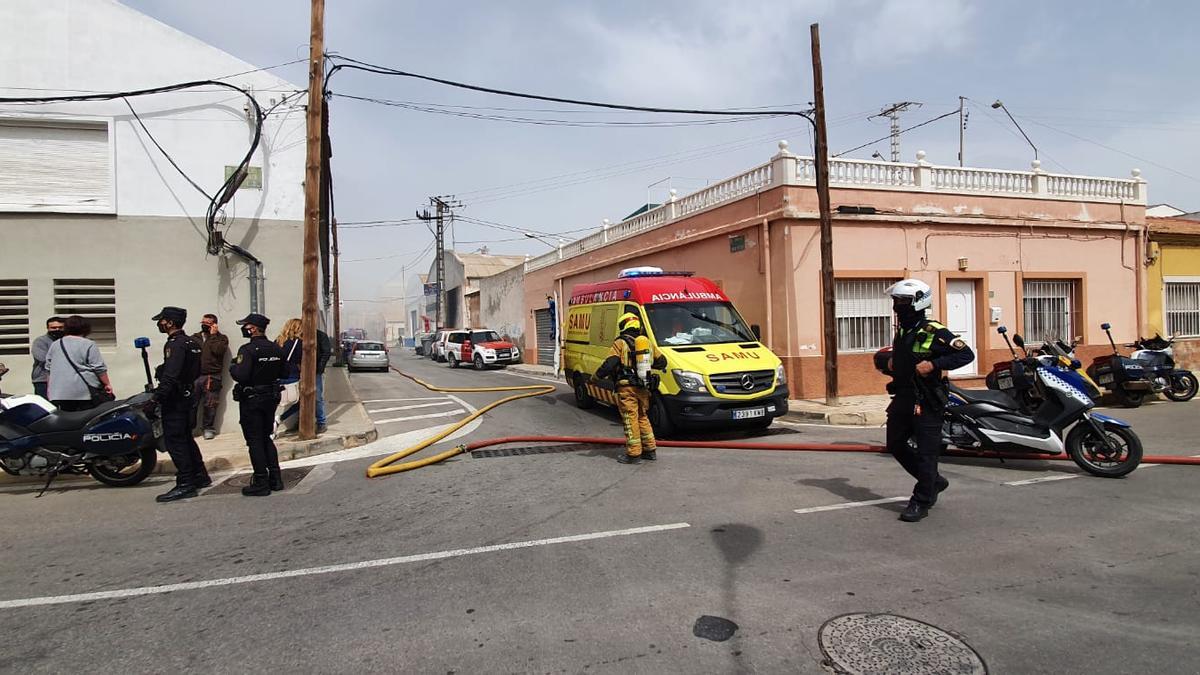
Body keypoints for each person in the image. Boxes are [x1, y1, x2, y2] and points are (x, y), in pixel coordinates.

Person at [881, 279, 974, 523]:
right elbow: (906, 356)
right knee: (895, 444)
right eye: (895, 301)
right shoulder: (903, 329)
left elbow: (966, 354)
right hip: (903, 396)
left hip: (926, 399)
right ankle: (934, 481)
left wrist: (934, 364)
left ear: (918, 302)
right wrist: (893, 362)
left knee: (927, 453)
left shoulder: (934, 330)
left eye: (902, 301)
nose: (897, 306)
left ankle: (921, 500)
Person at [150, 307, 209, 503]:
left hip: (175, 399)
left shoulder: (175, 344)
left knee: (175, 441)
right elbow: (195, 370)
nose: (160, 324)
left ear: (170, 322)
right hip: (187, 395)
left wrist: (156, 398)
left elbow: (171, 375)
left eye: (162, 321)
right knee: (186, 438)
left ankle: (185, 484)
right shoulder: (193, 342)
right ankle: (199, 475)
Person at [596, 312, 667, 464]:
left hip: (627, 389)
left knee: (630, 419)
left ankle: (633, 454)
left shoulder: (620, 343)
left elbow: (610, 363)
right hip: (643, 387)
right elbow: (662, 362)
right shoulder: (646, 343)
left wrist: (597, 376)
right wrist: (644, 363)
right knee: (643, 417)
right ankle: (650, 450)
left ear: (623, 326)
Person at [230, 313, 286, 496]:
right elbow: (285, 371)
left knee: (254, 440)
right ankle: (276, 479)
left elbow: (242, 375)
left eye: (245, 326)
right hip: (270, 397)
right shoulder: (276, 348)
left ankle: (261, 481)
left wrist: (233, 367)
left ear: (252, 328)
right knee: (266, 437)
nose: (244, 329)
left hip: (252, 399)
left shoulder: (247, 350)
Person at [43, 315, 112, 412]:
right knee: (87, 417)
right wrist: (107, 384)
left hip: (61, 392)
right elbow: (98, 367)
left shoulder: (56, 344)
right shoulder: (88, 344)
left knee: (68, 419)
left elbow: (48, 368)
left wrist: (50, 388)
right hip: (84, 391)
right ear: (85, 329)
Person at [192, 313, 229, 440]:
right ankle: (190, 428)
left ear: (214, 325)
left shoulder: (221, 339)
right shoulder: (194, 338)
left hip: (212, 376)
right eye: (203, 323)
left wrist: (213, 336)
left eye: (207, 323)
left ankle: (208, 428)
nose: (204, 325)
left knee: (210, 404)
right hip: (195, 376)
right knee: (192, 403)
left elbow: (218, 351)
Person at [274, 318, 303, 431]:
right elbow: (300, 361)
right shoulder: (299, 343)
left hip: (276, 376)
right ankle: (280, 419)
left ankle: (270, 425)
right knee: (302, 401)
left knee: (275, 402)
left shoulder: (278, 340)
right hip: (292, 375)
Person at [30, 317, 65, 399]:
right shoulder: (40, 341)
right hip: (43, 380)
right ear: (48, 328)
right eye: (53, 328)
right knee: (46, 406)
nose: (57, 329)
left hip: (64, 380)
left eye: (60, 327)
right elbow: (43, 359)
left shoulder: (67, 341)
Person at [315, 328, 333, 433]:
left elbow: (326, 352)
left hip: (316, 372)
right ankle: (300, 420)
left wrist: (319, 368)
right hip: (299, 372)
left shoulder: (320, 335)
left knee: (318, 397)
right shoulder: (299, 335)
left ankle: (321, 422)